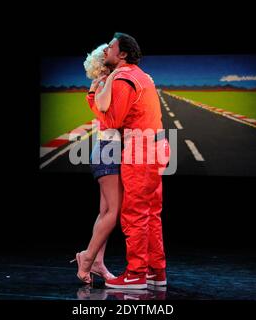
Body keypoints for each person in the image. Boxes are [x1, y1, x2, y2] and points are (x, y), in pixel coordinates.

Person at [87, 33, 170, 289]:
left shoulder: (123, 79)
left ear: (122, 54)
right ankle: (157, 272)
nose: (106, 51)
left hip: (141, 149)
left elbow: (112, 121)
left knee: (134, 214)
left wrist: (91, 97)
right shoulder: (141, 75)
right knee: (152, 214)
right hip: (158, 146)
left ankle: (136, 275)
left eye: (110, 47)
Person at [70, 44, 130, 284]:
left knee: (106, 212)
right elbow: (113, 117)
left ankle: (97, 261)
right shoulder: (107, 83)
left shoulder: (101, 85)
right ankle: (87, 258)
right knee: (112, 213)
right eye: (109, 53)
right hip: (108, 151)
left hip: (107, 150)